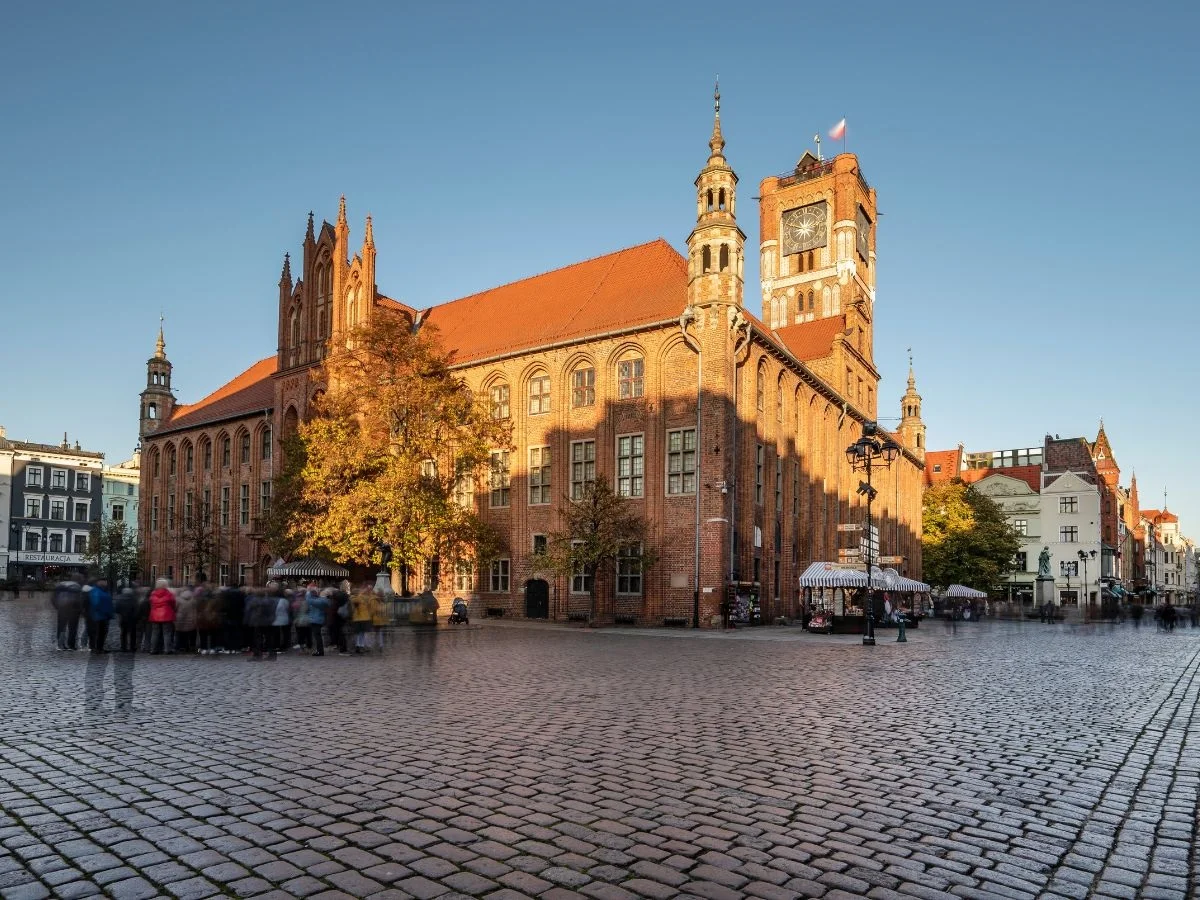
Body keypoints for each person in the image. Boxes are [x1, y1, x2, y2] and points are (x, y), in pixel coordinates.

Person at [148, 578, 177, 654]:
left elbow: (151, 604)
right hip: (166, 615)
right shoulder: (168, 594)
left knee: (155, 633)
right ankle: (167, 649)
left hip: (155, 616)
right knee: (167, 633)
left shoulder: (153, 594)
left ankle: (153, 649)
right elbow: (173, 603)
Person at [52, 579, 83, 650]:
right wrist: (80, 610)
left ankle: (60, 645)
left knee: (61, 628)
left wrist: (58, 607)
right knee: (73, 629)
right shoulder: (77, 587)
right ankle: (71, 645)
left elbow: (53, 599)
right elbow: (81, 600)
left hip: (62, 610)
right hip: (74, 611)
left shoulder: (60, 587)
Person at [87, 579, 114, 654]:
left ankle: (100, 648)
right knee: (98, 633)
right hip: (98, 616)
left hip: (103, 616)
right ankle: (96, 648)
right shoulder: (96, 591)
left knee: (102, 633)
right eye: (103, 581)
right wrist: (105, 611)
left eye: (106, 582)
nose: (105, 583)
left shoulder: (103, 591)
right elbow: (96, 603)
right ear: (99, 582)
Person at [114, 586, 139, 652]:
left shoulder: (119, 599)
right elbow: (136, 609)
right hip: (132, 619)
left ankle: (123, 647)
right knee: (132, 634)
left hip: (123, 619)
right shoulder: (134, 599)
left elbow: (116, 609)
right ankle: (132, 647)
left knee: (123, 633)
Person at [308, 588, 330, 656]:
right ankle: (319, 650)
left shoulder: (323, 600)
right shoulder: (321, 600)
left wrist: (308, 593)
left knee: (317, 636)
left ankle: (320, 651)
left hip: (317, 620)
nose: (319, 592)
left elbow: (311, 601)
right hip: (316, 619)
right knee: (317, 636)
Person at [329, 582, 350, 656]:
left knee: (338, 632)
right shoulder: (346, 596)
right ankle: (342, 649)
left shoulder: (335, 595)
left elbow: (332, 605)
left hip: (335, 615)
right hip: (342, 616)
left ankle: (339, 647)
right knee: (341, 633)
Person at [350, 585, 373, 654]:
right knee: (359, 633)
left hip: (362, 618)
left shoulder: (361, 598)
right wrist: (362, 593)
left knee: (361, 633)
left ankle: (360, 646)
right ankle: (359, 646)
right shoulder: (355, 598)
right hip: (359, 618)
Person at [175, 588, 197, 653]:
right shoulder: (193, 599)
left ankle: (182, 647)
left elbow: (175, 608)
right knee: (191, 633)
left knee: (181, 633)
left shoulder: (178, 599)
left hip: (180, 618)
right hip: (191, 618)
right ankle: (192, 647)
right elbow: (195, 608)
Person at [273, 587, 292, 653]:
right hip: (285, 618)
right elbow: (288, 609)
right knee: (284, 633)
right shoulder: (286, 600)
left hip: (278, 618)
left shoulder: (277, 600)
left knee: (278, 633)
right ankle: (284, 645)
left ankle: (278, 646)